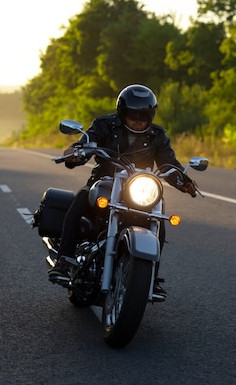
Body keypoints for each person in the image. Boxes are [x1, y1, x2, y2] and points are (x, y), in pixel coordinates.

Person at [48, 84, 197, 295]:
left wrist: (185, 182)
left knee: (158, 219)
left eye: (143, 115)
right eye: (132, 114)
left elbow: (169, 163)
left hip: (139, 190)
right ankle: (63, 260)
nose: (138, 120)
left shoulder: (157, 136)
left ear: (151, 115)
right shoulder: (105, 125)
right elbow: (87, 141)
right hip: (105, 182)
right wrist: (75, 152)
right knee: (80, 199)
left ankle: (150, 277)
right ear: (122, 112)